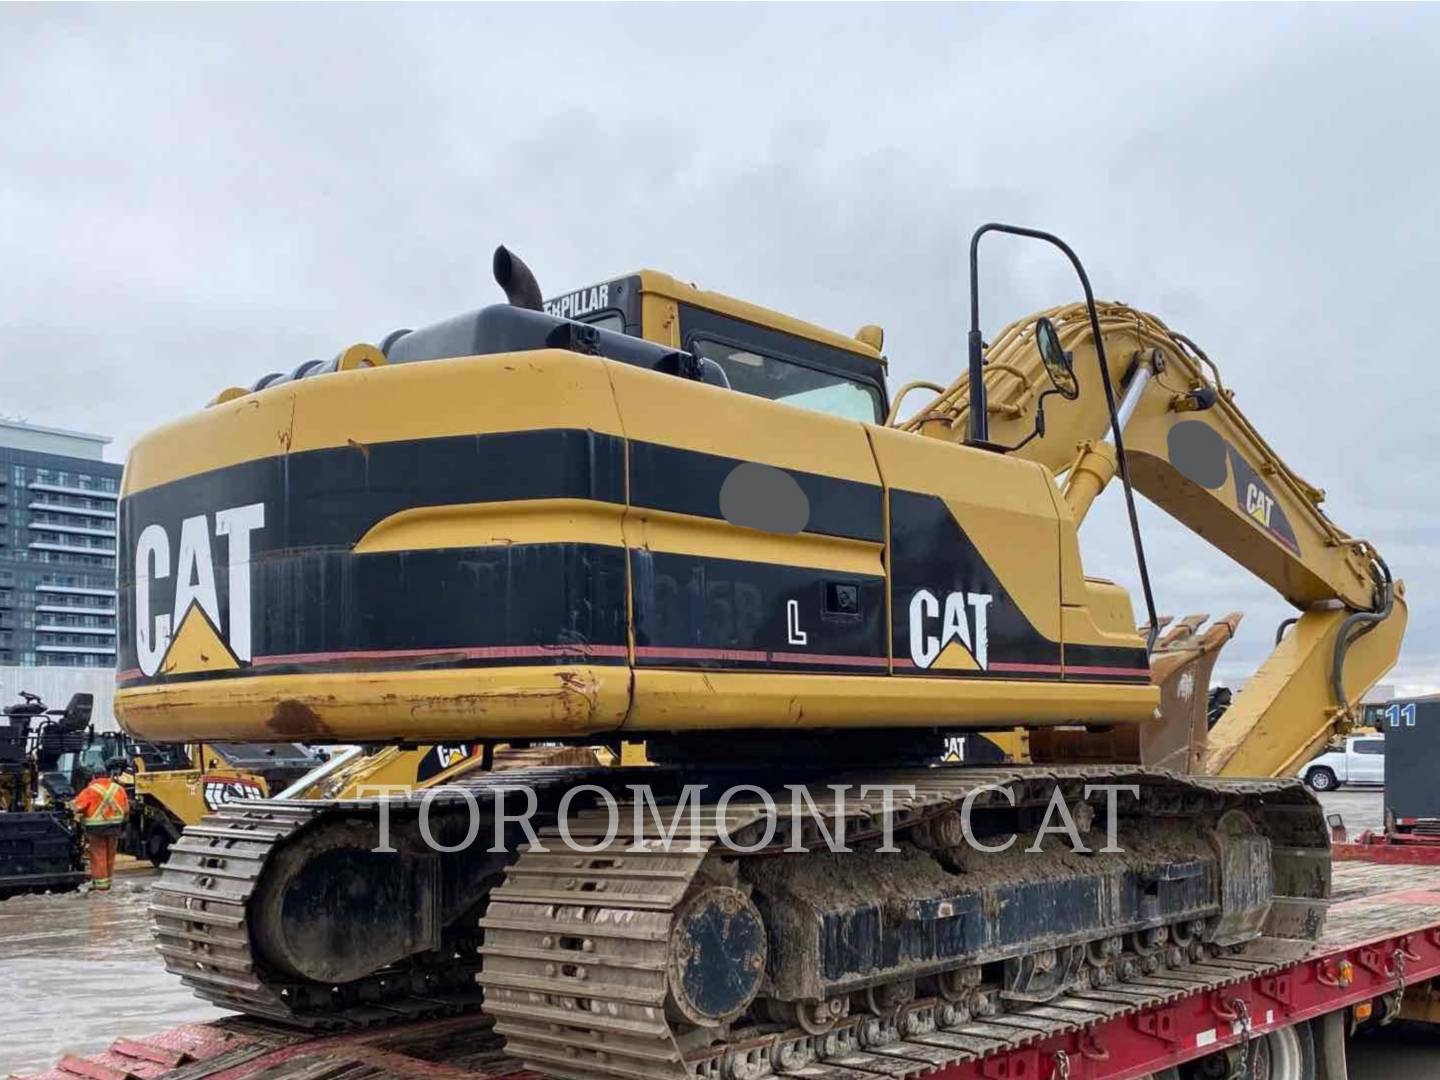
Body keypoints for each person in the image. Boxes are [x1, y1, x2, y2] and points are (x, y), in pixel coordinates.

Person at [71, 760, 130, 891]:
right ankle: (107, 884)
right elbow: (126, 809)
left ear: (93, 776)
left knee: (99, 856)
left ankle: (100, 887)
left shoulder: (90, 790)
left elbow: (77, 807)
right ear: (107, 775)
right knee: (110, 855)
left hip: (96, 829)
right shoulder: (118, 788)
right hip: (115, 828)